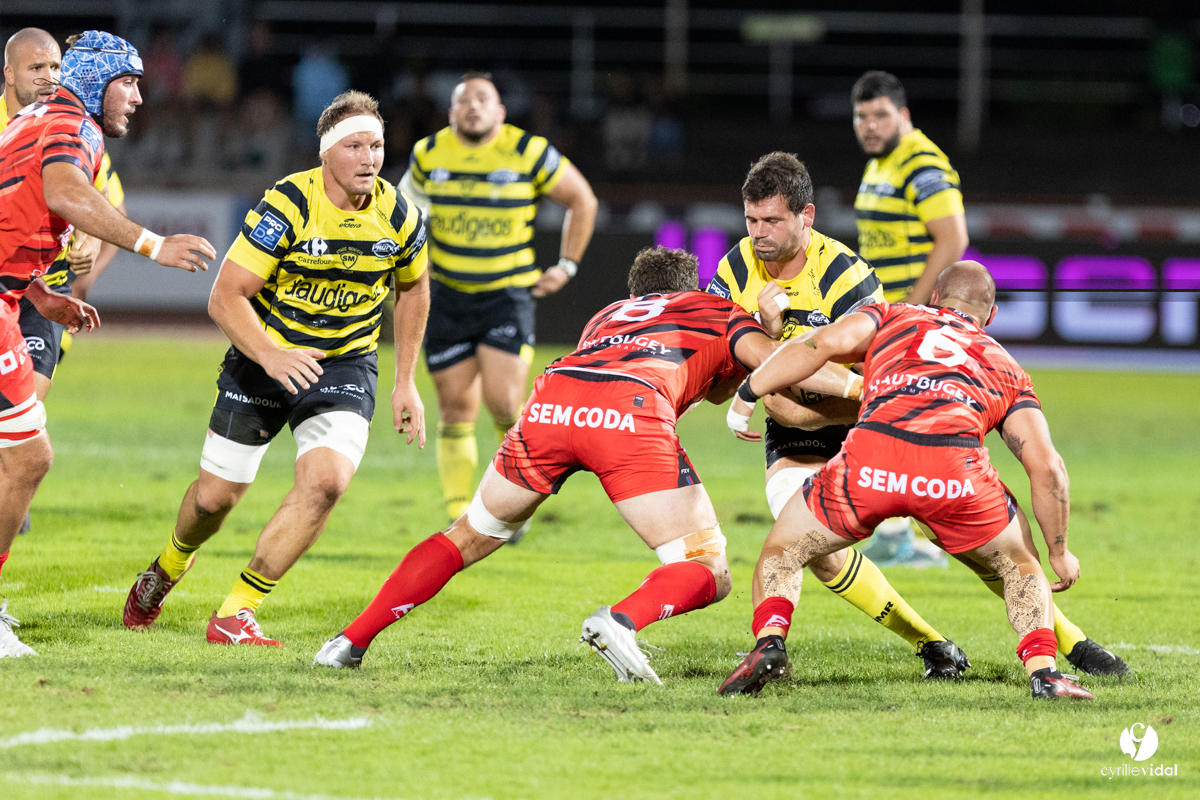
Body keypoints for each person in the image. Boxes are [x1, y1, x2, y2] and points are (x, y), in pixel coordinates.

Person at [311, 246, 859, 682]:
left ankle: (348, 642)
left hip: (551, 402)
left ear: (635, 293)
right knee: (708, 569)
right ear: (690, 288)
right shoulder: (714, 310)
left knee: (470, 534)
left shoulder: (606, 315)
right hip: (628, 412)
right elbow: (786, 363)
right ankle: (619, 621)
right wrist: (860, 386)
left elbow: (701, 383)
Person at [121, 91, 429, 647]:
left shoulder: (400, 215)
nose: (369, 159)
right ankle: (168, 566)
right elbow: (225, 296)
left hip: (343, 364)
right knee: (214, 500)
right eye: (355, 146)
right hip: (263, 358)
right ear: (326, 152)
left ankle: (236, 611)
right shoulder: (288, 204)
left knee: (327, 484)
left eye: (377, 146)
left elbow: (413, 290)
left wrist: (405, 380)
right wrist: (270, 355)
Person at [719, 261, 1096, 700]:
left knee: (783, 549)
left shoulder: (892, 315)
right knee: (1020, 564)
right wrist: (1059, 552)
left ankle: (770, 642)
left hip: (871, 461)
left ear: (934, 298)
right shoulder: (1007, 367)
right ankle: (1044, 673)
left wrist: (749, 391)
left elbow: (818, 342)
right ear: (991, 316)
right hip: (953, 476)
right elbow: (1048, 467)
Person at [708, 152, 971, 678]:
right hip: (793, 438)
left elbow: (881, 374)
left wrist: (779, 360)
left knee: (973, 538)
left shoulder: (847, 275)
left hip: (864, 427)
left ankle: (1064, 641)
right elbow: (716, 386)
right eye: (751, 220)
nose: (758, 233)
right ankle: (930, 645)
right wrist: (759, 330)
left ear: (806, 216)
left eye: (772, 220)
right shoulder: (734, 270)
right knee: (807, 544)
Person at [0, 31, 216, 658]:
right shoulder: (75, 125)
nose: (139, 98)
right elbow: (64, 193)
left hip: (12, 297)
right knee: (27, 458)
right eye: (129, 82)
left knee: (23, 457)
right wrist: (154, 245)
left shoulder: (38, 117)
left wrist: (38, 293)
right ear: (97, 83)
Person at [399, 71, 598, 526]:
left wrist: (567, 264)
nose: (473, 106)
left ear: (500, 112)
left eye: (483, 99)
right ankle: (460, 515)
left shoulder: (528, 151)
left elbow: (582, 199)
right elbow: (403, 211)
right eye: (464, 100)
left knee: (505, 403)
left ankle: (514, 502)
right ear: (451, 112)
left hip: (506, 295)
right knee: (455, 408)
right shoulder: (428, 153)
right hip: (446, 296)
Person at [852, 70, 972, 566]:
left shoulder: (922, 162)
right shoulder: (880, 164)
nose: (870, 125)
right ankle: (900, 531)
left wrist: (916, 309)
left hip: (911, 319)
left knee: (904, 421)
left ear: (903, 115)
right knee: (887, 417)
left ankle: (929, 531)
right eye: (861, 116)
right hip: (887, 314)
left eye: (880, 115)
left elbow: (953, 238)